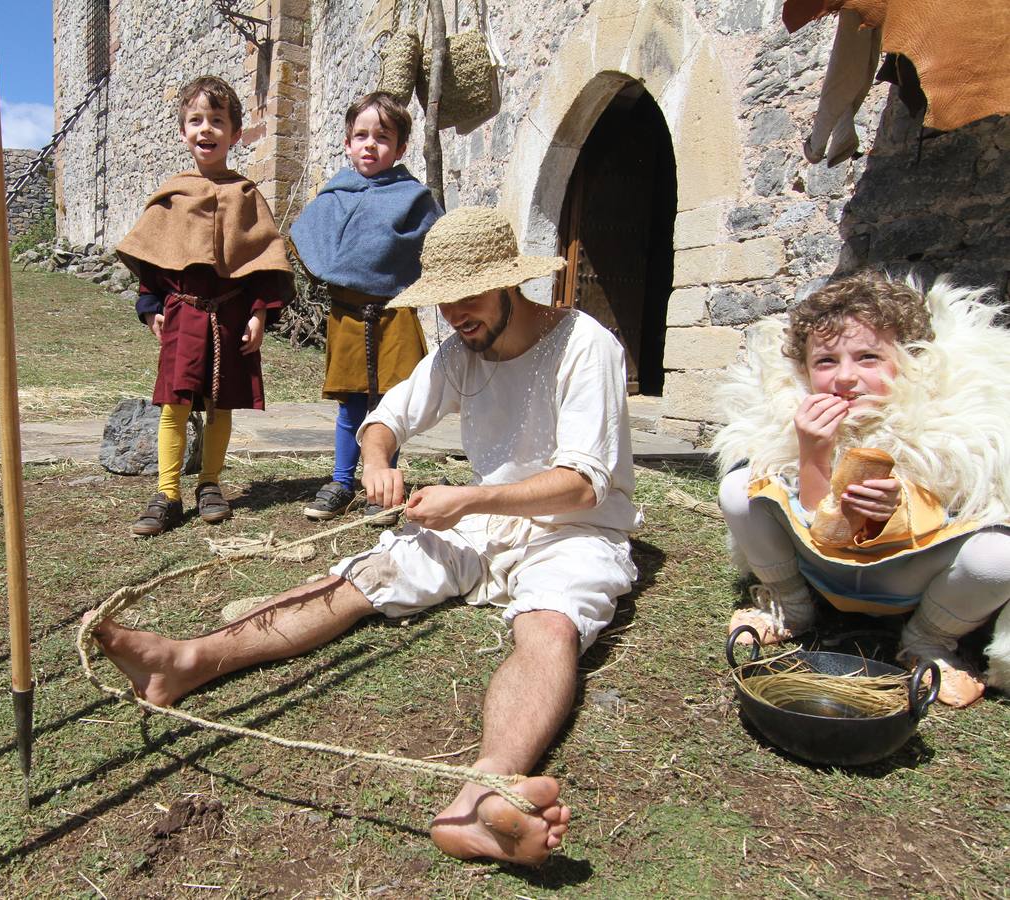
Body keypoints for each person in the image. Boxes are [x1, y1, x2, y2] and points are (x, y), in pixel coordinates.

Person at [85, 206, 641, 865]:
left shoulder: (586, 345)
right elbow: (384, 421)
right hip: (481, 522)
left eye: (467, 297)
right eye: (443, 301)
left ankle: (484, 798)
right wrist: (377, 464)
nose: (455, 315)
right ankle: (186, 662)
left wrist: (470, 497)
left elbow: (582, 484)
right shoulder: (461, 351)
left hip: (574, 532)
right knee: (358, 580)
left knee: (548, 628)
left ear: (507, 284)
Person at [713, 273, 1010, 707]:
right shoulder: (786, 419)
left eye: (868, 357)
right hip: (824, 568)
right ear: (803, 369)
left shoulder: (949, 420)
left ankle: (929, 640)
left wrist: (903, 506)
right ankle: (791, 607)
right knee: (742, 488)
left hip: (911, 575)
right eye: (826, 361)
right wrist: (813, 453)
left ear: (909, 360)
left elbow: (966, 500)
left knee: (1000, 553)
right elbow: (819, 523)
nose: (845, 378)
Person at [116, 75, 294, 537]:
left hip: (231, 315)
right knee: (175, 405)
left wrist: (259, 313)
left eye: (217, 121)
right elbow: (153, 265)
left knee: (220, 404)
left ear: (235, 133)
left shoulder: (247, 195)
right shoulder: (172, 195)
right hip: (182, 315)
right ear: (183, 132)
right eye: (196, 120)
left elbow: (264, 264)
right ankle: (168, 493)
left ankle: (211, 484)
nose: (206, 129)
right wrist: (151, 305)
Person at [290, 92, 443, 524]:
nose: (370, 144)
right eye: (361, 135)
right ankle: (341, 481)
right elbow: (310, 241)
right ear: (347, 141)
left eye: (382, 136)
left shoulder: (415, 199)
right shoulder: (335, 195)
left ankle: (383, 484)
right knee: (351, 405)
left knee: (390, 403)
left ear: (401, 148)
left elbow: (438, 246)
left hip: (396, 313)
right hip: (348, 315)